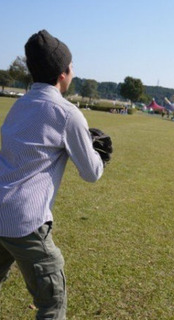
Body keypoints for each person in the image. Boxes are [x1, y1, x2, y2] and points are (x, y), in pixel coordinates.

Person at [0, 30, 105, 319]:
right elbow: (91, 172)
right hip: (26, 221)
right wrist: (98, 154)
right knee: (52, 303)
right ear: (63, 72)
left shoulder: (19, 105)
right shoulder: (67, 113)